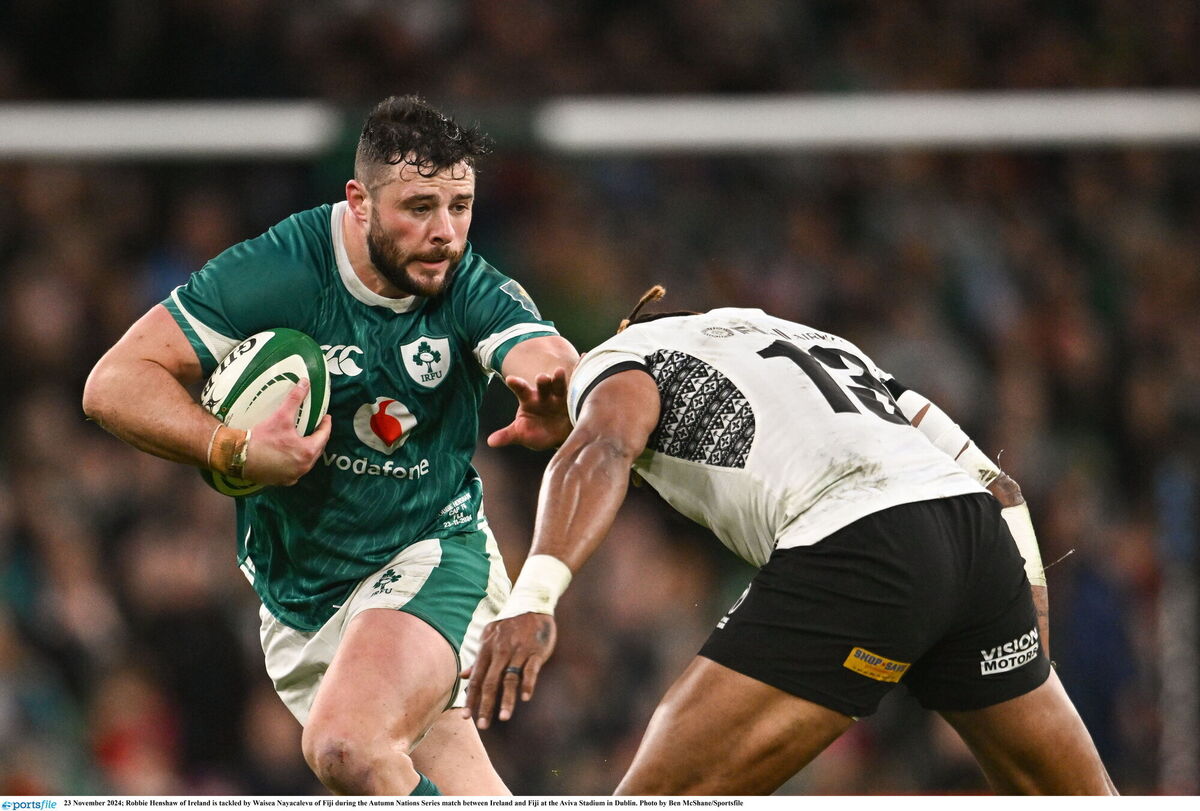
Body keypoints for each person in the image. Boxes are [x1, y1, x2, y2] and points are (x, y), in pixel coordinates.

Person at [83, 95, 578, 796]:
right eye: (419, 207)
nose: (445, 232)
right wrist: (232, 448)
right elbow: (113, 384)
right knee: (435, 783)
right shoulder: (284, 270)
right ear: (360, 202)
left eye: (460, 206)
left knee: (346, 745)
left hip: (430, 555)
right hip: (300, 601)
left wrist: (560, 390)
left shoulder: (470, 285)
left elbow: (541, 350)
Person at [465, 287, 1117, 795]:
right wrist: (1028, 641)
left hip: (859, 538)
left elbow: (603, 445)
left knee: (656, 796)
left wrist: (534, 597)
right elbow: (1000, 485)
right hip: (974, 538)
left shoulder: (624, 353)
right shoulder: (817, 342)